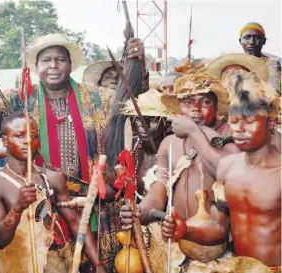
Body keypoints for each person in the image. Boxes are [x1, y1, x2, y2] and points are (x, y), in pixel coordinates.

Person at [0, 33, 145, 272]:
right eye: (46, 60)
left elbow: (131, 103)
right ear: (36, 67)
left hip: (95, 207)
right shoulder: (20, 100)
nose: (53, 66)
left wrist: (135, 65)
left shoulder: (99, 98)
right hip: (39, 211)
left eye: (60, 59)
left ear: (70, 64)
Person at [120, 72, 239, 272]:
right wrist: (139, 211)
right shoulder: (169, 144)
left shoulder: (227, 139)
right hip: (176, 243)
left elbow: (228, 174)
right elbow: (159, 191)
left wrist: (195, 132)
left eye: (204, 102)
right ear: (178, 109)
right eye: (188, 102)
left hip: (214, 247)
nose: (195, 109)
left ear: (216, 108)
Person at [167, 71, 281, 269]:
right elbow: (219, 228)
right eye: (234, 122)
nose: (239, 129)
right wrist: (185, 230)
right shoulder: (227, 168)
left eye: (250, 121)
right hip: (238, 267)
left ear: (271, 124)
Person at [0, 111, 105, 273]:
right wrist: (17, 208)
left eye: (34, 136)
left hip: (56, 263)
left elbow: (76, 221)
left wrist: (98, 265)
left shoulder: (51, 178)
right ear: (5, 140)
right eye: (19, 135)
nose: (28, 141)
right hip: (18, 265)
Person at [238, 22, 281, 93]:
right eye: (247, 37)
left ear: (264, 41)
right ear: (240, 41)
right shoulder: (234, 64)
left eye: (257, 37)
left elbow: (274, 93)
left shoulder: (272, 63)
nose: (251, 42)